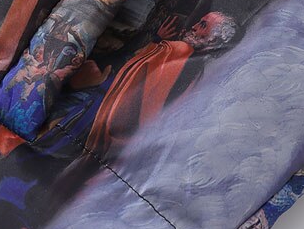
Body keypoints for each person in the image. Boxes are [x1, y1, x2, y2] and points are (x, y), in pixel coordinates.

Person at [86, 12, 238, 156]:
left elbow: (132, 72)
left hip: (106, 120)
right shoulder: (199, 72)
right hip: (126, 142)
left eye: (203, 25)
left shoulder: (178, 50)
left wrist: (157, 41)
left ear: (213, 40)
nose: (194, 26)